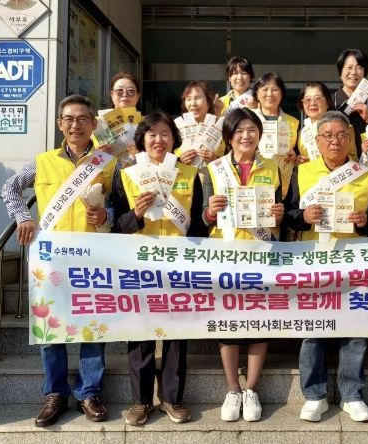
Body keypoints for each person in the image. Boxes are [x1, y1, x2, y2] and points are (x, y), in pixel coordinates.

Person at [1, 94, 115, 427]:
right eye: (69, 119)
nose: (75, 125)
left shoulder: (109, 163)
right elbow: (10, 189)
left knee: (93, 326)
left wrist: (105, 214)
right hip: (52, 258)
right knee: (51, 326)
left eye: (82, 119)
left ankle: (89, 392)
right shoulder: (42, 162)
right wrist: (23, 216)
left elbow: (120, 205)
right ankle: (55, 392)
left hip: (94, 255)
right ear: (59, 124)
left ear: (93, 123)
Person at [113, 111, 206, 426]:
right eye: (152, 134)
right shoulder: (127, 174)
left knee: (177, 334)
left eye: (165, 134)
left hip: (179, 264)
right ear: (142, 140)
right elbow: (117, 225)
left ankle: (172, 399)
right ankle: (141, 402)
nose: (159, 140)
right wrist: (136, 215)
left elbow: (198, 226)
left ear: (174, 139)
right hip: (139, 264)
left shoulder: (189, 174)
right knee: (140, 333)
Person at [284, 111, 368, 423]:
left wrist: (365, 221)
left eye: (341, 135)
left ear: (349, 139)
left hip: (354, 260)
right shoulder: (302, 172)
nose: (335, 141)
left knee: (355, 328)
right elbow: (287, 215)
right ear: (317, 140)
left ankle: (352, 394)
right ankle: (315, 395)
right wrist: (303, 216)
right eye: (328, 135)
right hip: (314, 259)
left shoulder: (366, 174)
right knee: (313, 329)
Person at [203, 107, 284, 422]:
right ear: (229, 136)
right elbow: (202, 217)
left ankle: (251, 389)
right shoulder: (214, 169)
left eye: (252, 130)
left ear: (260, 135)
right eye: (239, 131)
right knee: (228, 321)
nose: (246, 136)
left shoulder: (274, 167)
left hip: (261, 252)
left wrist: (279, 214)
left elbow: (284, 211)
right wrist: (210, 211)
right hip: (225, 254)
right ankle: (233, 389)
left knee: (259, 321)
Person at [252, 72, 299, 198]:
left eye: (275, 90)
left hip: (285, 185)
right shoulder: (247, 118)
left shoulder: (293, 122)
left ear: (282, 93)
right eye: (265, 89)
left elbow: (299, 152)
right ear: (257, 93)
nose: (270, 94)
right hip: (255, 183)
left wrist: (295, 156)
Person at [296, 81, 358, 163]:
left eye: (317, 98)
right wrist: (299, 160)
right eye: (308, 99)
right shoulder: (302, 132)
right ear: (302, 104)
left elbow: (353, 159)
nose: (312, 103)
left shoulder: (344, 127)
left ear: (327, 102)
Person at [176, 80, 225, 166]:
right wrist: (180, 161)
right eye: (189, 99)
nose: (193, 103)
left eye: (197, 98)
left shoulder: (220, 128)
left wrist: (215, 159)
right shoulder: (177, 128)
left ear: (209, 102)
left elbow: (231, 159)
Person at [333, 48, 368, 158]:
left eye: (359, 68)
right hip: (337, 162)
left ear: (364, 73)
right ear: (340, 72)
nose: (354, 72)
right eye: (349, 67)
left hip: (367, 160)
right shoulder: (330, 102)